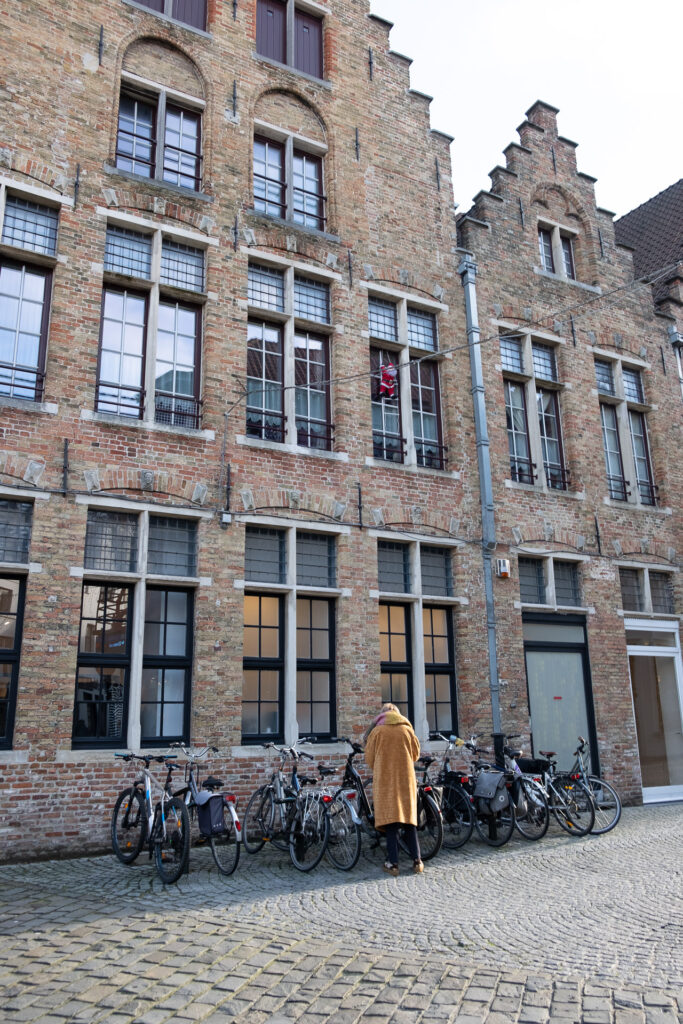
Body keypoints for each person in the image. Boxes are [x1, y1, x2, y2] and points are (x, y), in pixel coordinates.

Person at [363, 702, 423, 876]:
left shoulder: (377, 731)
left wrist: (381, 765)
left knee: (391, 822)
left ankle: (393, 863)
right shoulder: (407, 729)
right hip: (405, 780)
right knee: (409, 820)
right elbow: (416, 754)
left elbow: (370, 758)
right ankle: (417, 861)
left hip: (386, 780)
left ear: (382, 715)